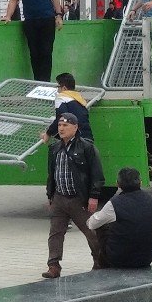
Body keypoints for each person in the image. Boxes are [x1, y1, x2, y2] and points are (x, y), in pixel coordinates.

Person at [43, 112, 104, 279]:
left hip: (79, 199)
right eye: (60, 125)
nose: (61, 129)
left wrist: (93, 196)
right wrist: (50, 196)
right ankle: (53, 266)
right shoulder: (54, 148)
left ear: (75, 128)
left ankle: (100, 261)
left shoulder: (86, 147)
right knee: (55, 233)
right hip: (59, 198)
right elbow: (51, 174)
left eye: (65, 126)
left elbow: (96, 174)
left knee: (91, 231)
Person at [1, 0, 64, 82]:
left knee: (46, 52)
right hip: (30, 21)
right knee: (34, 54)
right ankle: (38, 83)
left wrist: (58, 15)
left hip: (47, 19)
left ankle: (45, 83)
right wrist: (8, 16)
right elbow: (13, 0)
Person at [87, 167, 152, 269]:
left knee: (101, 226)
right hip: (147, 258)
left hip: (120, 259)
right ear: (141, 182)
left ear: (118, 184)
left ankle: (101, 266)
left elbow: (92, 224)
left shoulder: (115, 203)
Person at [42, 72, 93, 143]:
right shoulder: (80, 99)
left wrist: (48, 133)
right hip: (88, 139)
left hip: (74, 141)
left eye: (58, 87)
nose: (57, 90)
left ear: (64, 88)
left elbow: (62, 118)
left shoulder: (62, 97)